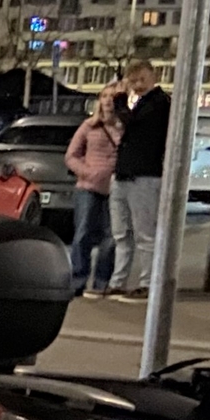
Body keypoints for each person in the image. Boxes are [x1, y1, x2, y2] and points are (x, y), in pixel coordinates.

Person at [106, 58, 171, 301]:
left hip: (144, 175)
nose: (137, 85)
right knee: (121, 233)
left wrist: (120, 100)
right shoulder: (143, 103)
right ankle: (117, 281)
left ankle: (147, 282)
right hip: (125, 174)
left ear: (153, 77)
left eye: (141, 79)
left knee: (145, 233)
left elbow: (132, 123)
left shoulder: (158, 102)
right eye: (133, 81)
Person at [64, 91, 122, 299]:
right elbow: (71, 156)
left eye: (112, 97)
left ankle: (101, 283)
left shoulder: (124, 127)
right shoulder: (89, 126)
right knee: (83, 234)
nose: (107, 100)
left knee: (111, 237)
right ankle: (77, 280)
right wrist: (87, 172)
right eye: (104, 96)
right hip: (87, 187)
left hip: (116, 189)